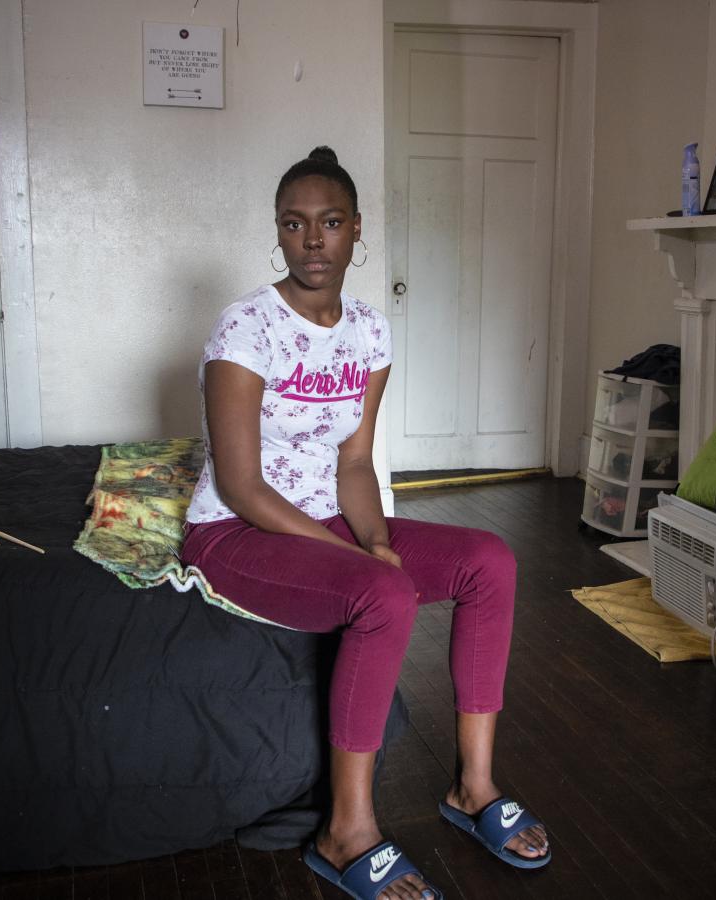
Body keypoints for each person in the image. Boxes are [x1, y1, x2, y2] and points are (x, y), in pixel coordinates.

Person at [179, 146, 550, 900]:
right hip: (236, 533)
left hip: (334, 518)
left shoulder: (371, 332)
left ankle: (473, 788)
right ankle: (346, 830)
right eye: (294, 224)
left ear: (355, 231)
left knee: (491, 560)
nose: (313, 239)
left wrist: (376, 540)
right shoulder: (245, 327)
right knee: (385, 596)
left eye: (330, 222)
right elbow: (243, 486)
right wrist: (358, 562)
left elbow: (354, 462)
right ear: (279, 235)